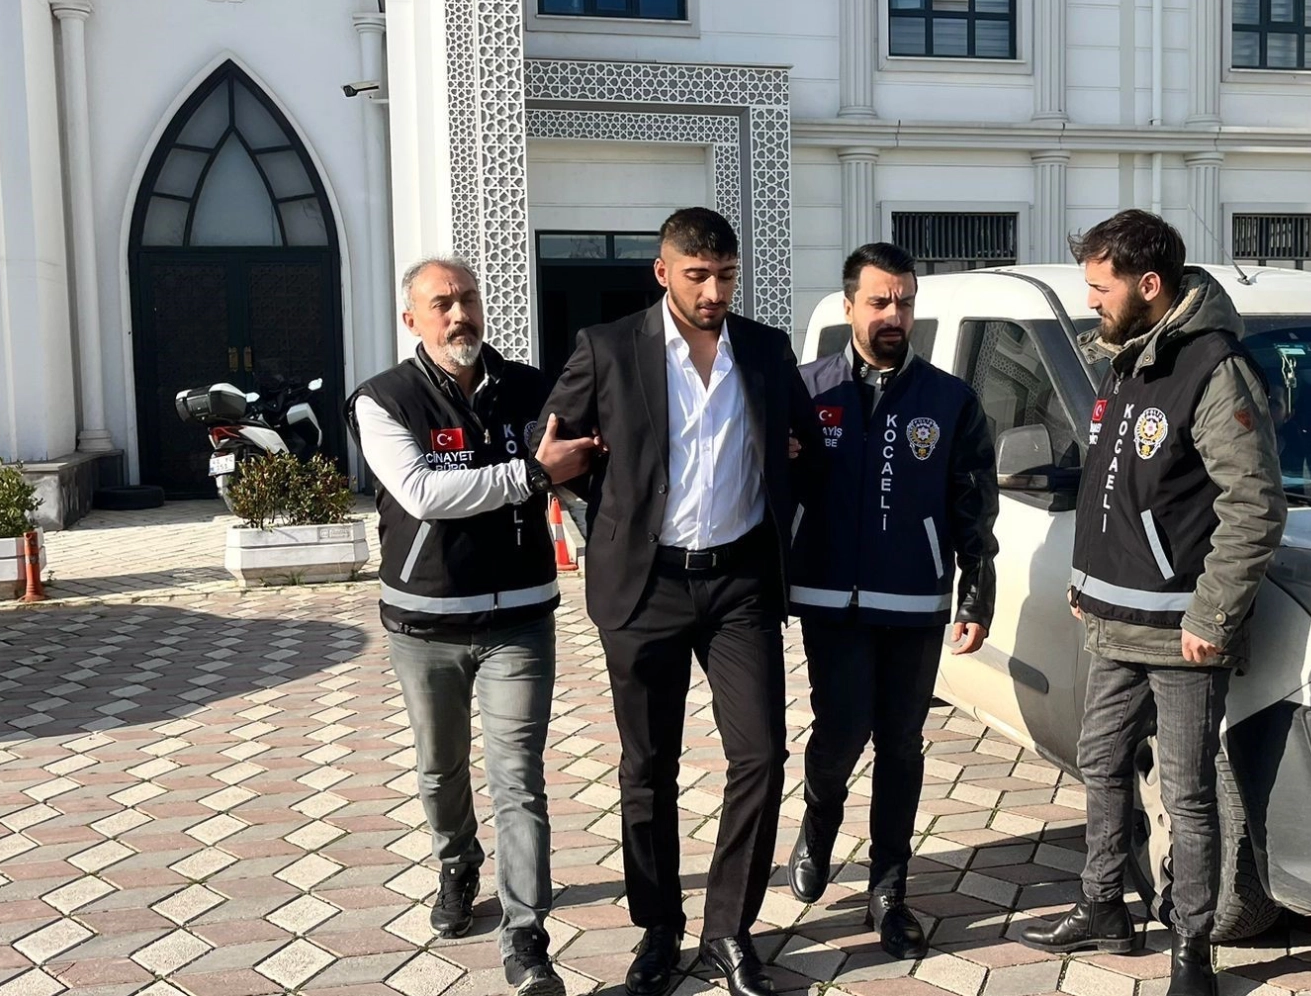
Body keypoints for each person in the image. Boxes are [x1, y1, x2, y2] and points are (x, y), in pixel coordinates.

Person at [540, 208, 821, 996]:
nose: (713, 292)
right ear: (663, 271)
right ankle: (658, 928)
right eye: (697, 276)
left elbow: (806, 446)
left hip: (739, 586)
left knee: (761, 754)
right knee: (648, 764)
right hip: (647, 584)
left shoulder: (764, 349)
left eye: (725, 276)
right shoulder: (608, 347)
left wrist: (790, 461)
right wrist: (611, 502)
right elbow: (553, 441)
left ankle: (728, 929)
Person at [1022, 211, 1285, 996]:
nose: (1090, 301)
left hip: (1180, 632)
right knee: (1100, 762)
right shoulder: (1124, 359)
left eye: (1100, 288)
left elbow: (1255, 504)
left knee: (1187, 796)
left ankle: (1191, 949)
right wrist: (1085, 576)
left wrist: (1214, 615)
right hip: (1113, 621)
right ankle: (1104, 903)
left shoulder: (1213, 368)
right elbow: (1109, 484)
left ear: (1148, 284)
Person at [346, 258, 599, 996]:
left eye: (468, 299)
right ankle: (457, 864)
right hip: (424, 622)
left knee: (519, 779)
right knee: (440, 767)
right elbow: (423, 492)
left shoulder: (532, 389)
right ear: (412, 319)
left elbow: (581, 481)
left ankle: (527, 939)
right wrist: (533, 474)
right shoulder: (382, 399)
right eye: (442, 303)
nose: (460, 314)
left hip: (520, 618)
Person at [784, 243, 999, 960]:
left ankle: (889, 888)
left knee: (901, 745)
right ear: (850, 306)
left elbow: (974, 505)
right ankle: (819, 822)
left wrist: (975, 593)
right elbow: (769, 484)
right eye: (879, 301)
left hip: (914, 599)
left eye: (904, 301)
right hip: (828, 596)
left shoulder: (949, 400)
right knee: (840, 732)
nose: (894, 315)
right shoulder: (806, 390)